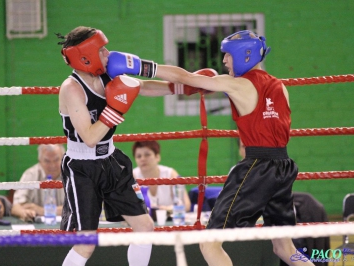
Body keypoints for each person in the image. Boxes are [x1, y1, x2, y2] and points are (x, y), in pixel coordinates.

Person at [106, 30, 314, 265]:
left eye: (227, 55)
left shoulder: (236, 84)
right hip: (283, 167)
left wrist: (137, 65)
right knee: (284, 247)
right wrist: (140, 85)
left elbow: (185, 77)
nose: (224, 61)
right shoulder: (280, 86)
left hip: (257, 167)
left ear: (244, 55)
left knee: (209, 242)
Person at [55, 26, 217, 266]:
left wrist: (185, 87)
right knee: (86, 244)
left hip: (110, 161)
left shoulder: (107, 73)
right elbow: (89, 137)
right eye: (101, 49)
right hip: (82, 168)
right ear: (86, 55)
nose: (108, 53)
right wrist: (115, 109)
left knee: (145, 227)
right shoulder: (71, 89)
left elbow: (142, 86)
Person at [132, 141, 191, 214]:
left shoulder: (170, 174)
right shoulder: (131, 177)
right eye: (138, 156)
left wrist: (167, 209)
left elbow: (186, 205)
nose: (142, 159)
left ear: (157, 157)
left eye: (147, 155)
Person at [11, 144, 65, 222]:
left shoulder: (72, 175)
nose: (52, 165)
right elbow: (15, 207)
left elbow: (81, 207)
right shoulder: (30, 175)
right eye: (47, 161)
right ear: (40, 161)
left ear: (64, 159)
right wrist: (25, 213)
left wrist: (42, 211)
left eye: (56, 160)